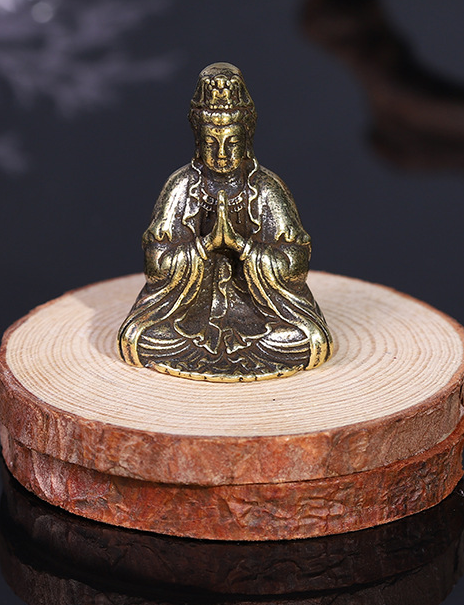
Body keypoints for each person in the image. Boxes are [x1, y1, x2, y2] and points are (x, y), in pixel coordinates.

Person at [118, 62, 332, 381]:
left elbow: (296, 263)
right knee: (142, 338)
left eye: (231, 144)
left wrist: (242, 247)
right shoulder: (181, 187)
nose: (221, 155)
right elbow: (155, 263)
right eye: (211, 144)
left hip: (259, 316)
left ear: (246, 140)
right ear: (198, 142)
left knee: (305, 340)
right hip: (187, 317)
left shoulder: (266, 188)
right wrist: (205, 246)